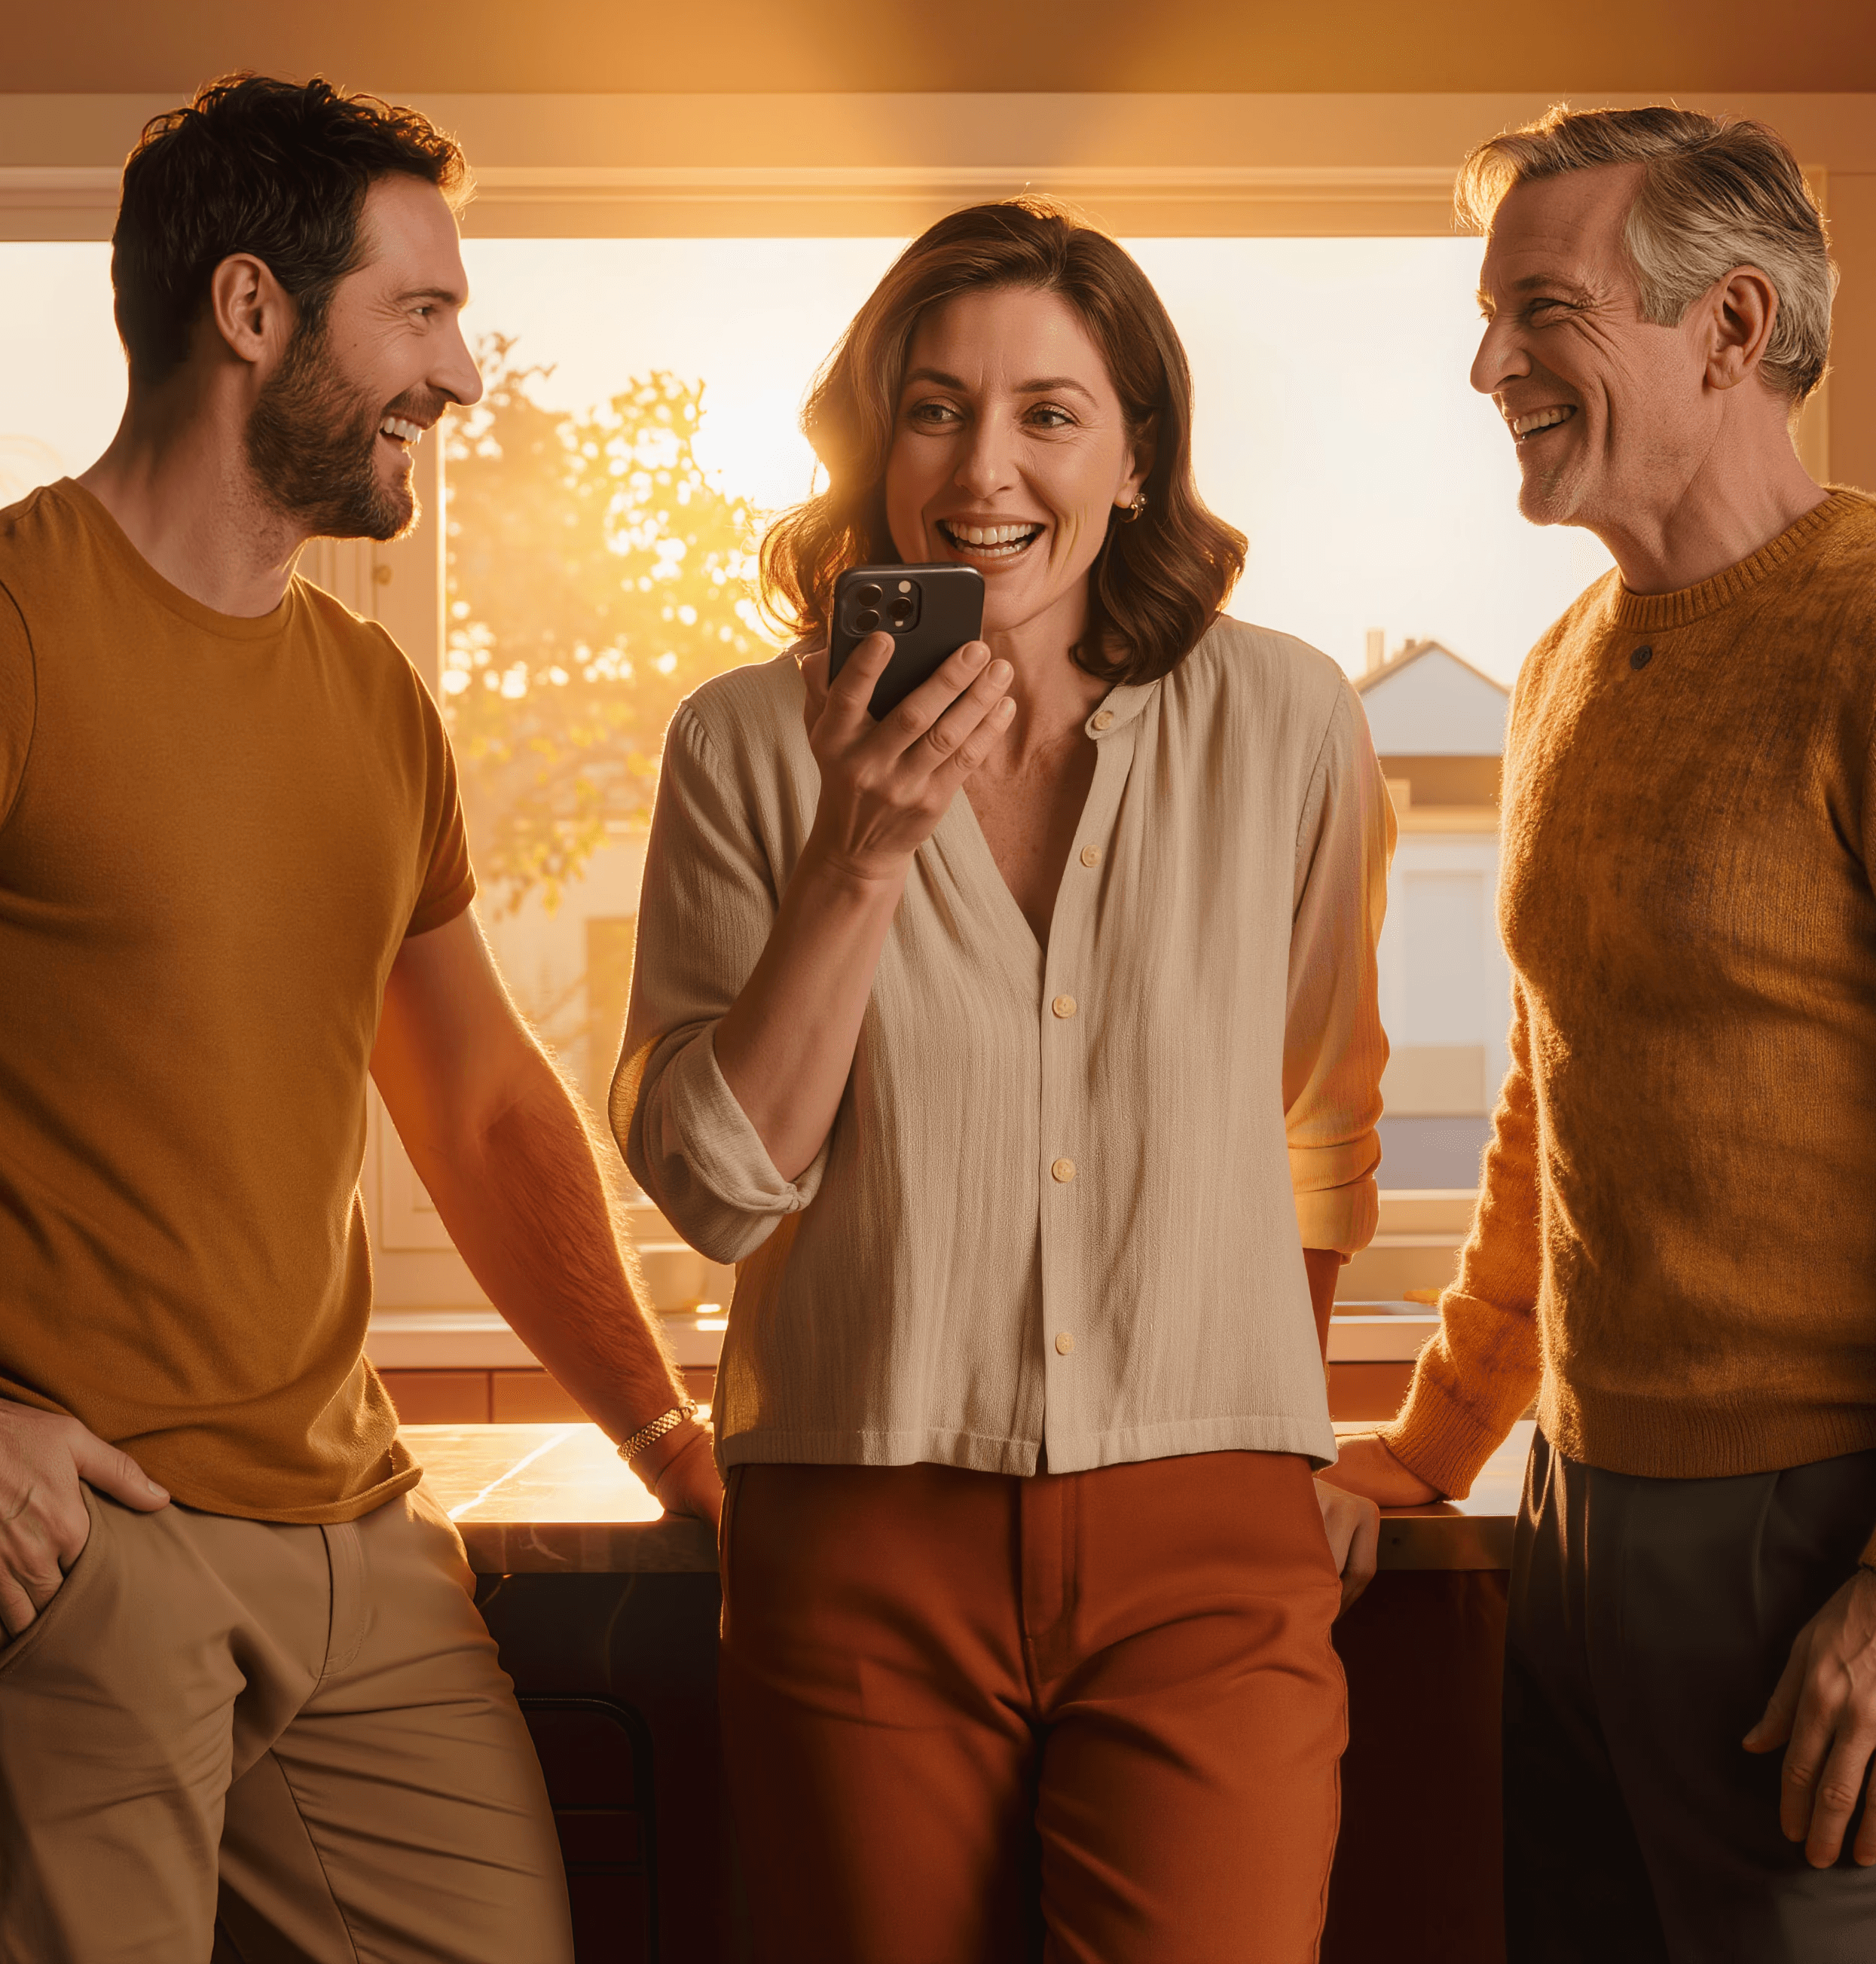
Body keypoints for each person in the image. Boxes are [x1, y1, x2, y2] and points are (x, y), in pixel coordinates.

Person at [0, 74, 719, 1964]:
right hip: (57, 1542)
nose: (461, 376)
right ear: (253, 309)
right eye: (420, 313)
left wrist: (667, 1433)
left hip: (356, 1543)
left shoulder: (368, 701)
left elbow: (485, 1111)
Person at [1320, 105, 1876, 1962]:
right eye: (1489, 316)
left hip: (1857, 1552)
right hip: (1580, 1524)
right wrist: (1430, 1438)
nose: (1489, 366)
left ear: (1725, 328)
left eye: (1541, 311)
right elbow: (1560, 1113)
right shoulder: (1559, 669)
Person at [611, 196, 1391, 1963]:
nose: (986, 467)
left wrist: (1302, 1435)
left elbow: (1311, 1107)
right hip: (857, 1519)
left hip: (1212, 1530)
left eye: (1050, 412)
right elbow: (723, 1183)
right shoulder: (745, 743)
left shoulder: (1285, 722)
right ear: (874, 442)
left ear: (1136, 459)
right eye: (935, 406)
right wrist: (857, 855)